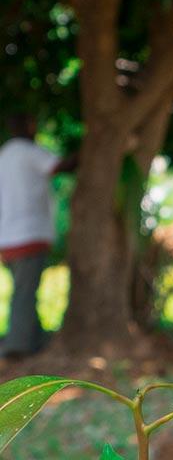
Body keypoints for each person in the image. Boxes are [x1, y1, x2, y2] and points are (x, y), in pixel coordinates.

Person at [0, 115, 73, 359]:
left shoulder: (5, 155)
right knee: (25, 293)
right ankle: (16, 347)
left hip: (7, 238)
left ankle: (38, 341)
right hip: (27, 234)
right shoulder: (29, 152)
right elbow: (61, 166)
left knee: (25, 291)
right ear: (29, 126)